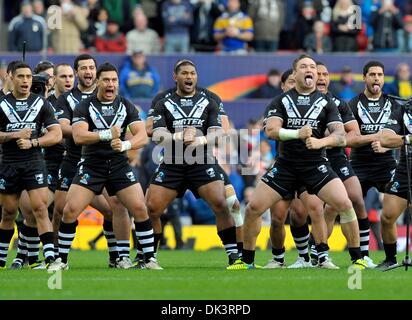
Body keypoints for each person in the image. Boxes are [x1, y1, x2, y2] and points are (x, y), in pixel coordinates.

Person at [228, 54, 367, 270]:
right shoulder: (280, 100)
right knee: (253, 208)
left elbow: (340, 135)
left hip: (315, 165)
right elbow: (271, 130)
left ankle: (356, 258)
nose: (310, 69)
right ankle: (247, 261)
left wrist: (321, 142)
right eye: (304, 66)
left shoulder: (327, 101)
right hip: (285, 165)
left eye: (312, 66)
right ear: (295, 73)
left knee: (345, 204)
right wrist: (298, 134)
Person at [48, 62, 159, 271]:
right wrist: (107, 134)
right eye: (106, 80)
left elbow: (143, 136)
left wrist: (126, 144)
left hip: (118, 165)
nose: (111, 84)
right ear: (98, 82)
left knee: (139, 208)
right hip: (92, 165)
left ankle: (146, 259)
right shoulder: (84, 106)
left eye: (114, 80)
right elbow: (79, 136)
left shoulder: (126, 105)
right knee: (69, 211)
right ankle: (61, 261)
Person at [146, 59, 240, 267]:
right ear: (175, 76)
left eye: (192, 73)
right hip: (172, 159)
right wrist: (179, 136)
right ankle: (149, 257)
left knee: (222, 203)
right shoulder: (162, 100)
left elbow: (219, 132)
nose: (189, 77)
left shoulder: (211, 99)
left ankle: (234, 256)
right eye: (185, 73)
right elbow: (156, 133)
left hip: (202, 159)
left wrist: (197, 139)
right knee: (152, 207)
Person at [53, 54, 130, 268]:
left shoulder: (112, 98)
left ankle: (118, 256)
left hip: (104, 159)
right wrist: (92, 131)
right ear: (77, 72)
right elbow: (63, 128)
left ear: (96, 74)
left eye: (91, 68)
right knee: (62, 209)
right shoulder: (67, 99)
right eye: (83, 68)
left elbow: (129, 127)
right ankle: (56, 257)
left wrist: (125, 145)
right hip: (74, 158)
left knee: (116, 205)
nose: (88, 72)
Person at [310, 61, 377, 268]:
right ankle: (317, 254)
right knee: (319, 209)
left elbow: (354, 133)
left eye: (325, 74)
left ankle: (362, 254)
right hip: (310, 158)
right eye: (318, 73)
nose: (322, 77)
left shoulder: (339, 104)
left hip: (336, 156)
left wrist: (334, 138)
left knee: (356, 197)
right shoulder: (302, 102)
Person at [0, 61, 62, 269]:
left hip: (34, 162)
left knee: (40, 209)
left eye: (28, 77)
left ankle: (51, 259)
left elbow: (56, 134)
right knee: (8, 212)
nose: (26, 80)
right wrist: (15, 135)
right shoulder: (1, 103)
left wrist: (33, 142)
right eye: (21, 76)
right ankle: (1, 260)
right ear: (10, 77)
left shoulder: (41, 103)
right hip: (8, 163)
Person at [348, 60, 399, 262]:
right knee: (350, 208)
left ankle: (391, 259)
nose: (376, 78)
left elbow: (403, 138)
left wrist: (387, 145)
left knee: (394, 208)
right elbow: (349, 138)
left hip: (386, 165)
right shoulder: (352, 104)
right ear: (364, 78)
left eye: (379, 74)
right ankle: (361, 256)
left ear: (383, 78)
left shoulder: (395, 104)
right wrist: (373, 138)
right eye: (372, 74)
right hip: (359, 164)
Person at [378, 106, 412, 270]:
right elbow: (385, 139)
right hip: (404, 171)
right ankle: (390, 259)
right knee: (387, 217)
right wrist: (408, 138)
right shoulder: (403, 111)